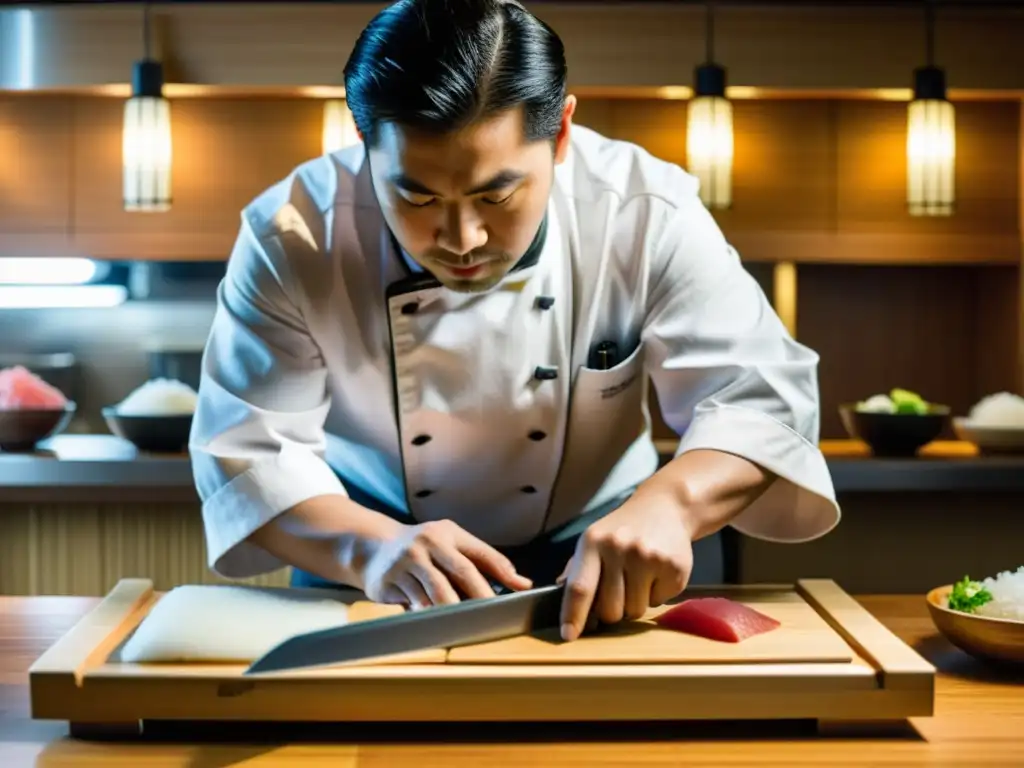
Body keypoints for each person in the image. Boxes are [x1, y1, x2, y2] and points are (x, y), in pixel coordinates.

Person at [189, 0, 840, 643]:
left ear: (560, 133)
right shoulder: (293, 234)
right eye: (416, 196)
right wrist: (369, 549)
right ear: (364, 144)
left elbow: (764, 400)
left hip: (608, 560)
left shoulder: (644, 209)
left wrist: (673, 503)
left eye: (495, 195)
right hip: (371, 567)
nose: (462, 237)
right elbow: (247, 453)